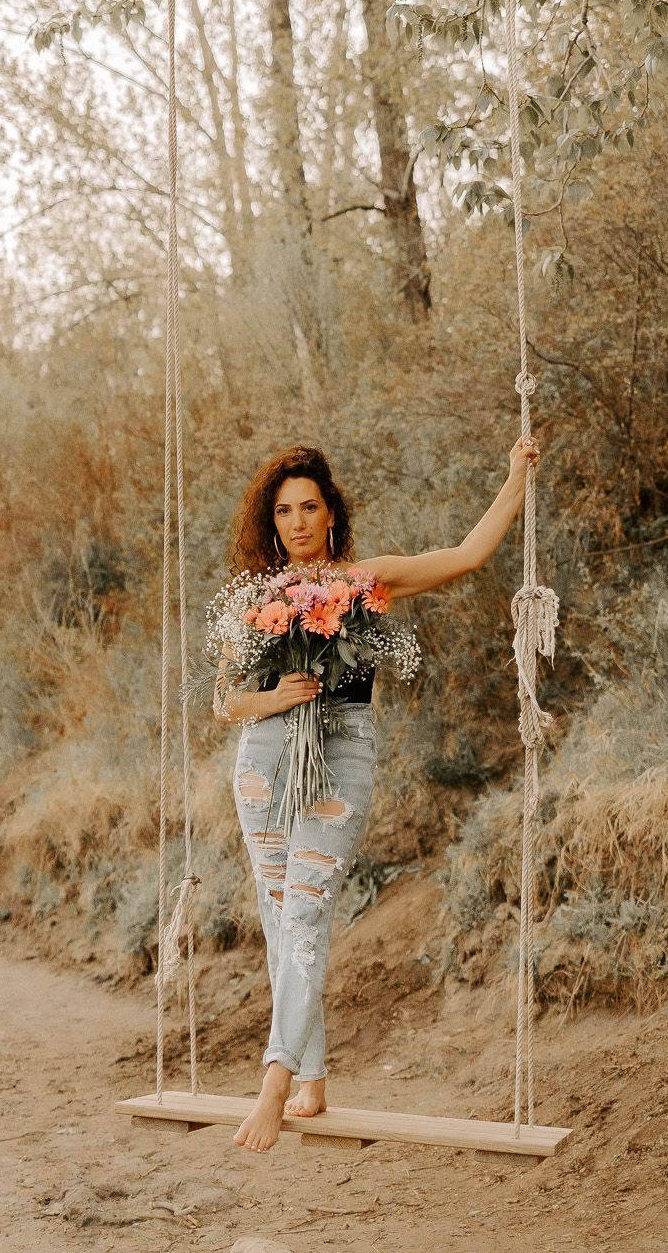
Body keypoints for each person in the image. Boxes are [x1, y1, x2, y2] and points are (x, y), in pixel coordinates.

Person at [213, 435, 543, 1153]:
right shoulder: (254, 599)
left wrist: (514, 475)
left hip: (340, 757)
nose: (297, 521)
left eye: (309, 507)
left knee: (306, 914)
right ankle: (312, 1079)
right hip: (263, 766)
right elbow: (222, 704)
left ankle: (273, 1083)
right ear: (271, 524)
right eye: (283, 511)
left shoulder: (365, 580)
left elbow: (466, 555)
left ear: (330, 513)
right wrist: (272, 698)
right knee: (280, 924)